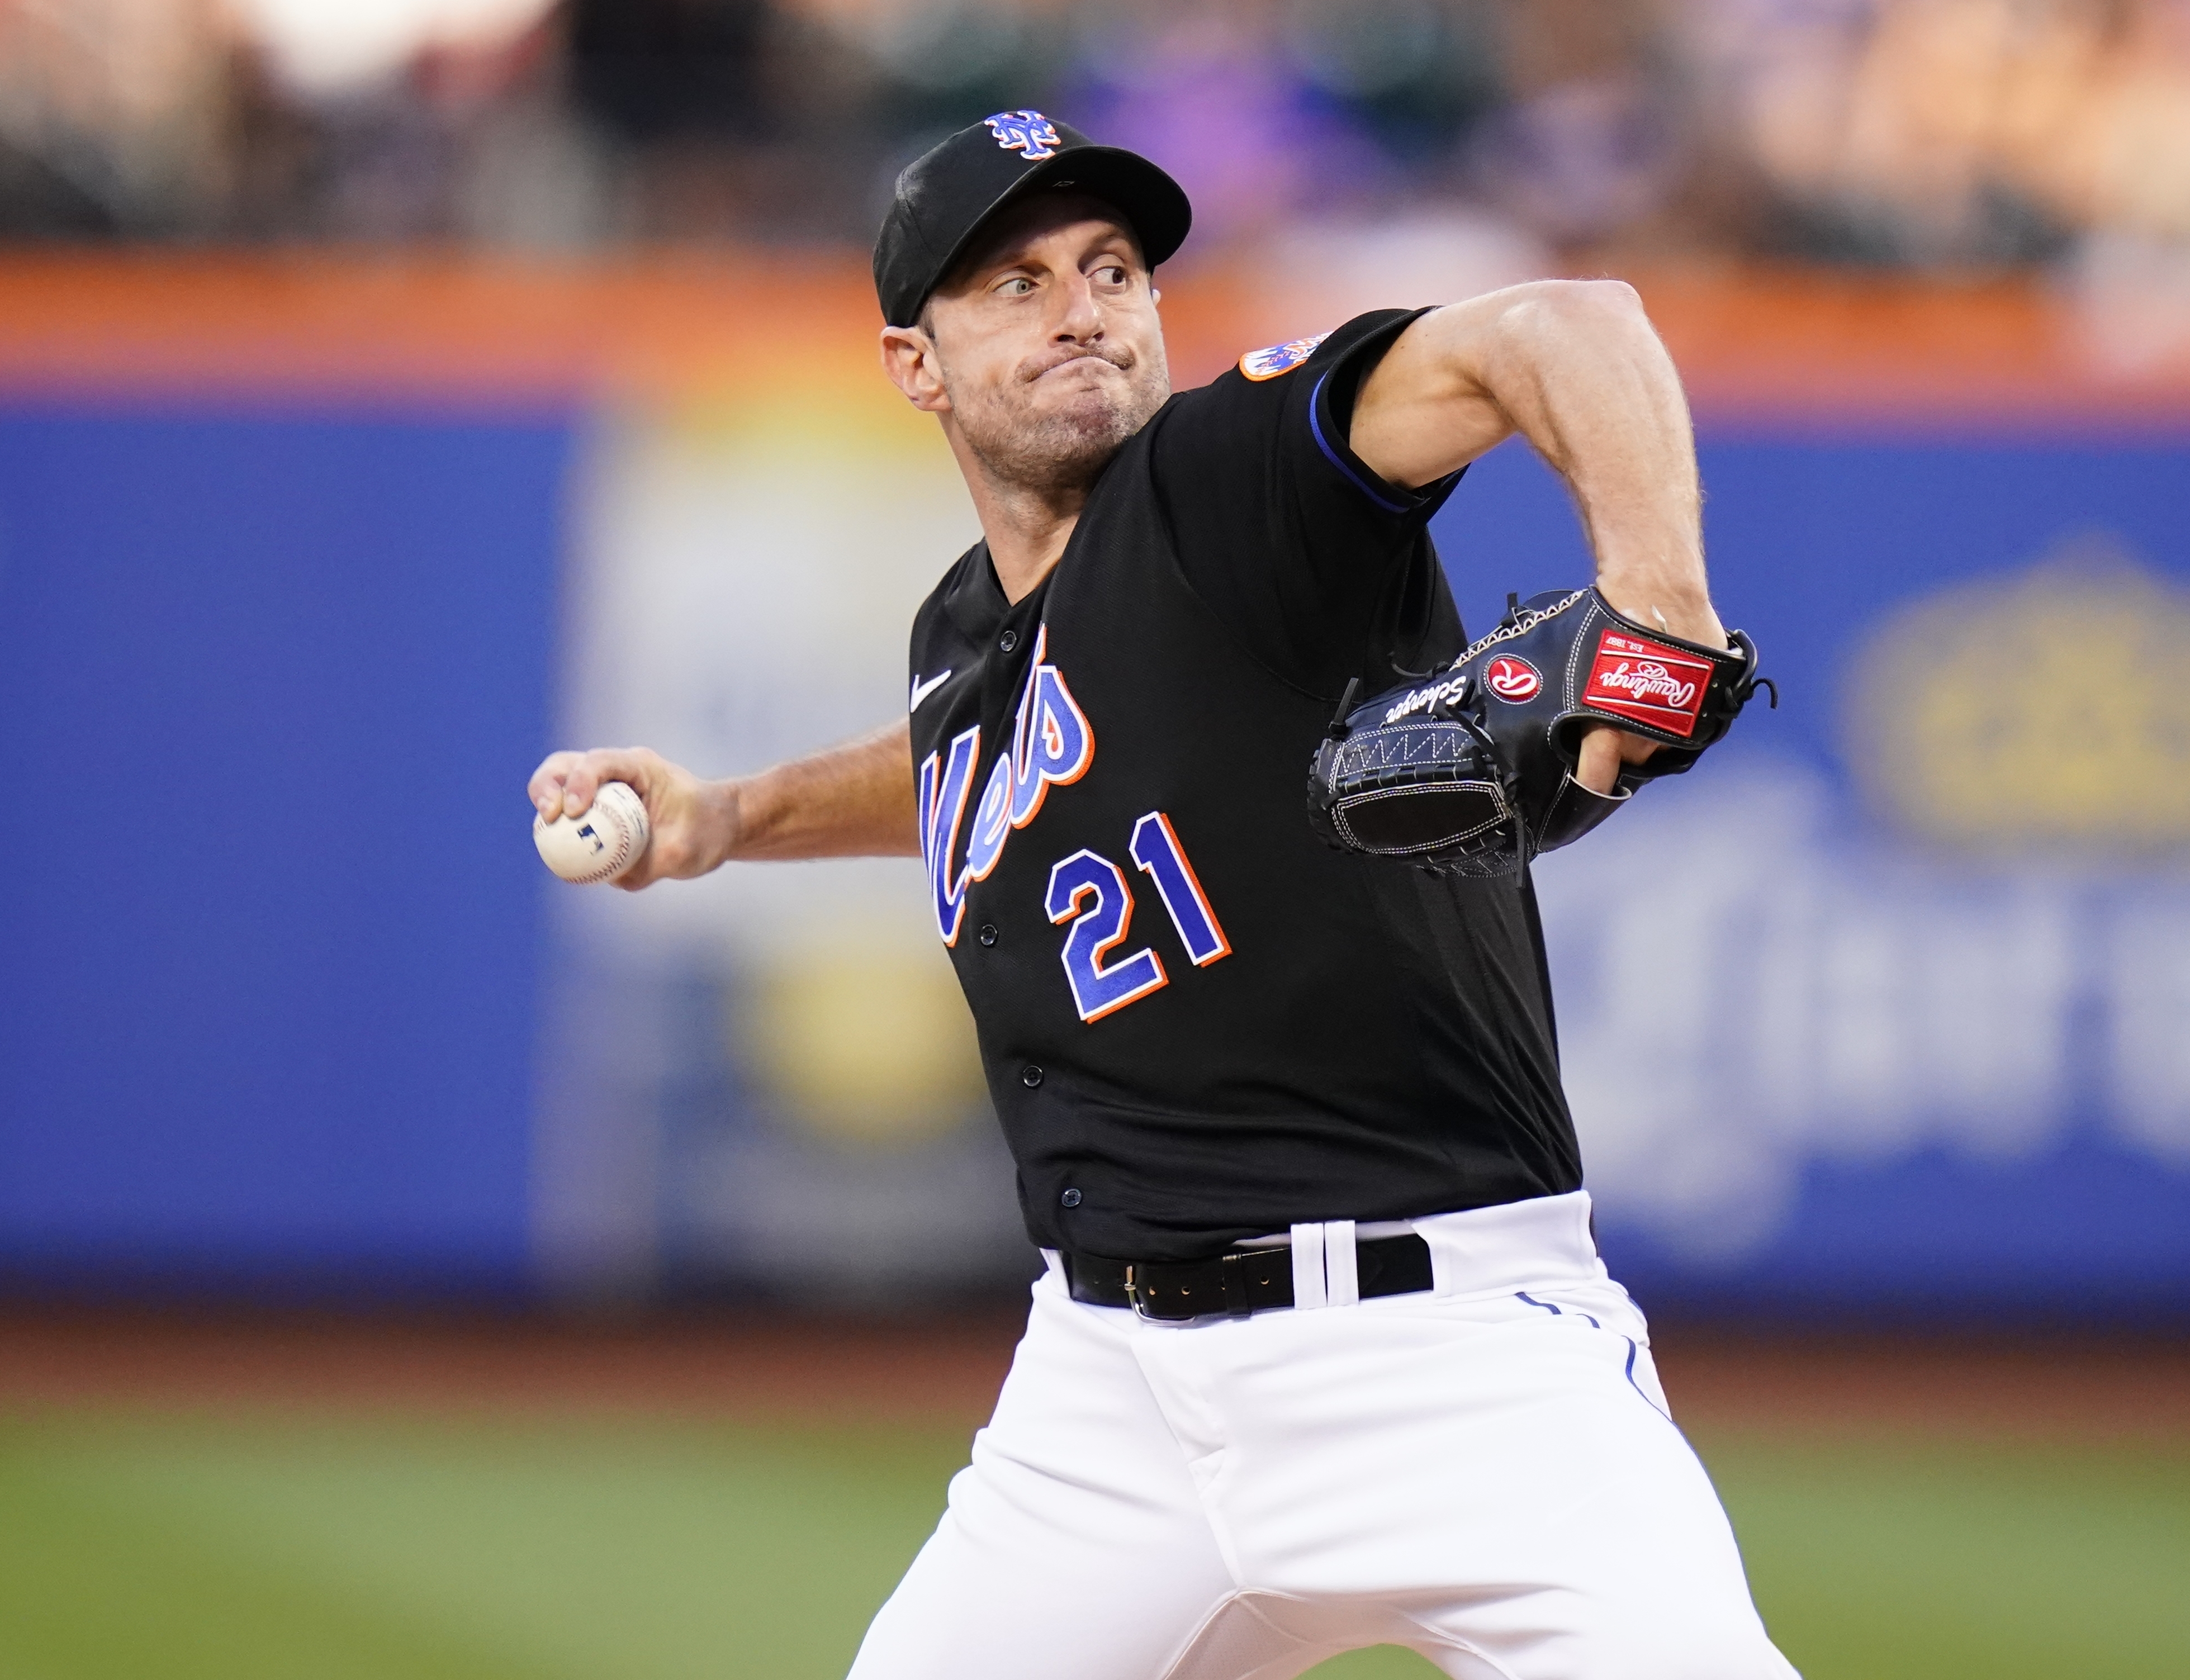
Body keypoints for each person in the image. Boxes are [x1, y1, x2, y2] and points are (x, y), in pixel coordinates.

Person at [529, 110, 1796, 1680]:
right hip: (1107, 1401)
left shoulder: (1234, 482)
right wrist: (728, 815)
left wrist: (1658, 599)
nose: (1081, 306)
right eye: (1012, 281)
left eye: (1112, 268)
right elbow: (967, 766)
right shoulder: (966, 631)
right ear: (913, 365)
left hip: (1447, 1358)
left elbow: (1568, 326)